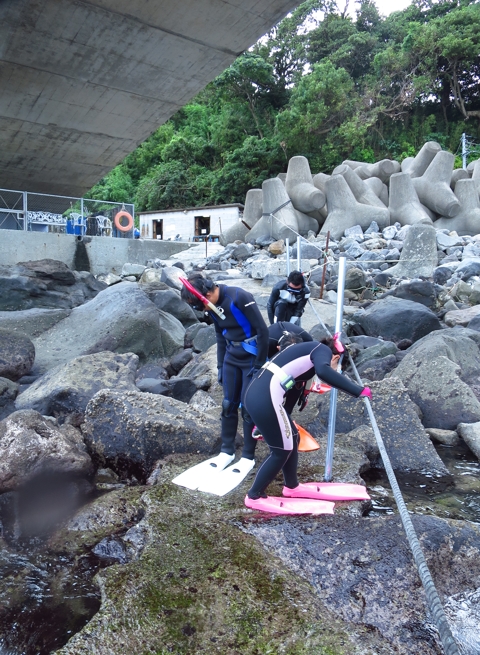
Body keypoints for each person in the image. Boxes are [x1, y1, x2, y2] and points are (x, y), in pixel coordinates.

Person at [243, 336, 371, 507]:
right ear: (335, 357)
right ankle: (254, 495)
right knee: (282, 450)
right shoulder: (321, 350)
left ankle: (292, 487)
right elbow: (324, 372)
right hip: (264, 397)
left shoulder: (309, 348)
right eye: (338, 365)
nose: (336, 369)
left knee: (293, 437)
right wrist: (358, 390)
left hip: (260, 394)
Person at [181, 273, 269, 474]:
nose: (199, 310)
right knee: (228, 404)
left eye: (198, 305)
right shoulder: (211, 306)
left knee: (248, 409)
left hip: (250, 357)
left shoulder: (239, 297)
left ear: (209, 293)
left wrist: (259, 364)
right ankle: (227, 451)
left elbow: (262, 331)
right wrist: (220, 365)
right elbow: (220, 335)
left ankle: (248, 455)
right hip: (231, 357)